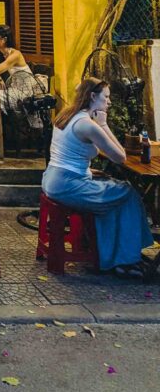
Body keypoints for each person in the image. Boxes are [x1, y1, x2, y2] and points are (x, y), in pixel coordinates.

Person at [42, 77, 152, 277]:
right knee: (128, 192)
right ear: (92, 96)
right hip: (68, 185)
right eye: (106, 97)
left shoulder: (66, 115)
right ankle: (127, 259)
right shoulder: (87, 125)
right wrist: (104, 125)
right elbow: (120, 157)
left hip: (53, 179)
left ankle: (120, 255)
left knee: (116, 192)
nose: (109, 102)